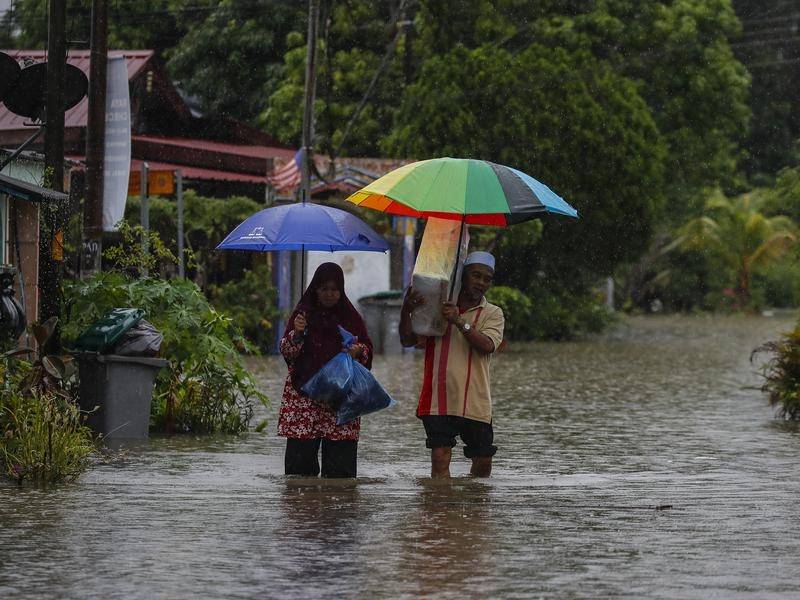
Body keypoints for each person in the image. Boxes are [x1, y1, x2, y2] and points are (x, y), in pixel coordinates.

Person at [399, 251, 505, 478]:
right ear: (463, 276)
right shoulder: (438, 307)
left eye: (487, 279)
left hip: (475, 401)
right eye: (476, 276)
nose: (481, 283)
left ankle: (474, 509)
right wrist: (406, 311)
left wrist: (458, 321)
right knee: (439, 458)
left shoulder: (493, 313)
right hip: (438, 397)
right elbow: (408, 341)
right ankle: (440, 510)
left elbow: (487, 345)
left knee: (483, 462)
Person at [278, 262, 373, 478]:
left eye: (334, 289)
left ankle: (336, 511)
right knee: (299, 476)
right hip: (304, 398)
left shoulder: (351, 317)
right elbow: (287, 351)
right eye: (324, 289)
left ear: (341, 290)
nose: (329, 294)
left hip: (340, 400)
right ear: (315, 289)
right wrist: (298, 333)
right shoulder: (302, 316)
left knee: (341, 475)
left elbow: (367, 349)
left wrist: (358, 351)